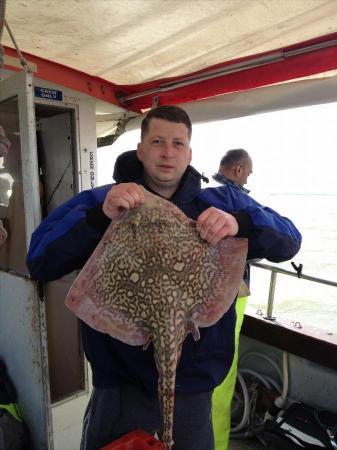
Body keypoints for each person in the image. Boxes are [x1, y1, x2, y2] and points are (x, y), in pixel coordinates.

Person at [26, 105, 301, 450]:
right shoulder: (102, 200)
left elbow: (290, 240)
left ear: (189, 153)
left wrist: (240, 224)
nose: (167, 152)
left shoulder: (222, 201)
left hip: (194, 389)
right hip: (121, 388)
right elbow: (39, 259)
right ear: (141, 150)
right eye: (157, 142)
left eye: (177, 143)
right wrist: (99, 218)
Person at [211, 149, 253, 450]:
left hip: (199, 296)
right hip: (229, 297)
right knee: (221, 378)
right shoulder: (238, 201)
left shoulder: (202, 193)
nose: (248, 178)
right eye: (248, 173)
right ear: (238, 170)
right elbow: (280, 239)